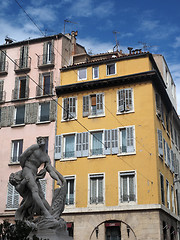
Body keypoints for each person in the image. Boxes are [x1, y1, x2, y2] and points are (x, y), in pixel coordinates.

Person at [17, 136, 62, 219]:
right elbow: (22, 156)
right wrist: (24, 168)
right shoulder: (34, 148)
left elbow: (50, 170)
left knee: (41, 195)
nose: (39, 141)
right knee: (35, 190)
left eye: (41, 139)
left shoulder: (46, 157)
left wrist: (58, 179)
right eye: (38, 140)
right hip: (27, 170)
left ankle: (50, 212)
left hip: (34, 174)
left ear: (45, 141)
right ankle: (45, 212)